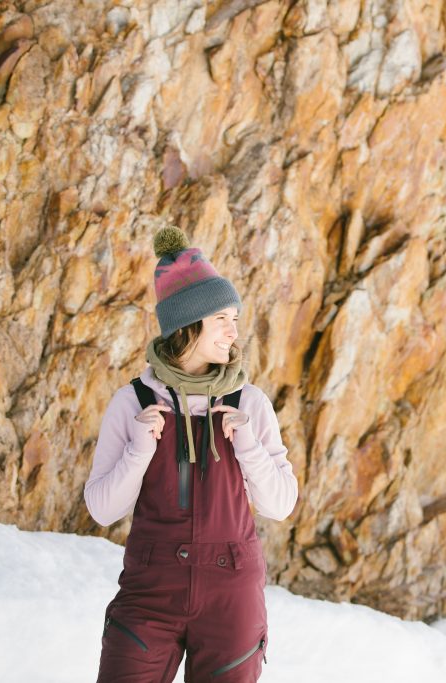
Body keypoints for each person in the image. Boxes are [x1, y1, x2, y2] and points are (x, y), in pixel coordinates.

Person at [84, 226, 298, 682]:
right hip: (149, 591)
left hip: (231, 596)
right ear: (188, 324)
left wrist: (249, 447)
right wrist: (139, 450)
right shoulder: (134, 401)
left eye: (234, 318)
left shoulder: (250, 402)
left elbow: (281, 505)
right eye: (222, 318)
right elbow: (103, 509)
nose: (233, 331)